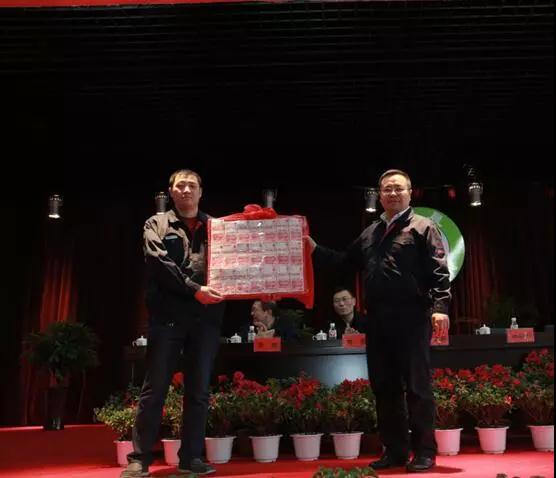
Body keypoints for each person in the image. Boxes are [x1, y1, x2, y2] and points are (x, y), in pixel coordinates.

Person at [308, 169, 450, 473]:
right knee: (384, 387)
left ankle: (424, 452)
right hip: (377, 320)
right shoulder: (370, 233)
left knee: (418, 388)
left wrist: (440, 307)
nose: (393, 194)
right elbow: (344, 262)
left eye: (398, 188)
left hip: (412, 317)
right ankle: (395, 451)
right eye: (387, 189)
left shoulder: (424, 227)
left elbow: (439, 271)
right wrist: (314, 249)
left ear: (410, 193)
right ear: (379, 195)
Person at [121, 169, 225, 478]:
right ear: (171, 192)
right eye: (181, 185)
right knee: (154, 390)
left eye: (192, 185)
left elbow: (234, 265)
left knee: (199, 392)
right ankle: (139, 459)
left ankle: (191, 458)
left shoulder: (218, 228)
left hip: (205, 319)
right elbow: (159, 263)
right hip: (167, 318)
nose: (186, 190)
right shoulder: (156, 224)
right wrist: (195, 290)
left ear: (201, 192)